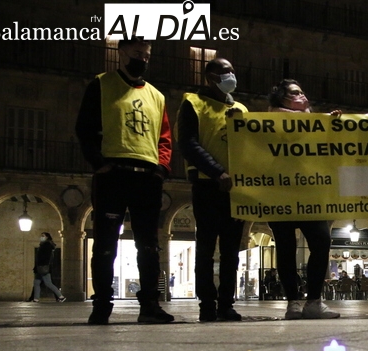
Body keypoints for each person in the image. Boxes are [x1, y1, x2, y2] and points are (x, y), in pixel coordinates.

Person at [76, 37, 174, 325]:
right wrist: (99, 163)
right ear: (121, 53)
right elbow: (85, 127)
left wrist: (162, 168)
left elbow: (165, 138)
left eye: (146, 55)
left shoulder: (157, 96)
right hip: (113, 174)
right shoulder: (101, 84)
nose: (142, 59)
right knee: (105, 244)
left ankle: (150, 305)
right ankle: (101, 305)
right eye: (136, 53)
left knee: (149, 246)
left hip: (147, 177)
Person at [177, 58, 247, 322]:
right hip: (208, 185)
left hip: (236, 189)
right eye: (224, 72)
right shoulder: (193, 104)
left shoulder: (241, 108)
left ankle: (226, 304)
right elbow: (188, 144)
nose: (230, 75)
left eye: (232, 71)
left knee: (231, 251)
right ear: (210, 78)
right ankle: (207, 304)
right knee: (205, 249)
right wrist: (218, 172)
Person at [267, 79, 339, 319]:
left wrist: (335, 124)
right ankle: (293, 302)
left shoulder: (316, 121)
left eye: (302, 92)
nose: (302, 96)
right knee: (285, 247)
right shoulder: (270, 120)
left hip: (311, 190)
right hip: (280, 190)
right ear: (282, 98)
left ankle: (314, 300)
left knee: (321, 241)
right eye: (295, 93)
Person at [29, 232, 67, 303]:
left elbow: (44, 257)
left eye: (43, 236)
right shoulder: (45, 245)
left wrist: (41, 265)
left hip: (43, 267)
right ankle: (36, 298)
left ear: (47, 237)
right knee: (36, 283)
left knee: (48, 283)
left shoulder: (46, 246)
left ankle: (61, 296)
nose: (41, 237)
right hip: (40, 267)